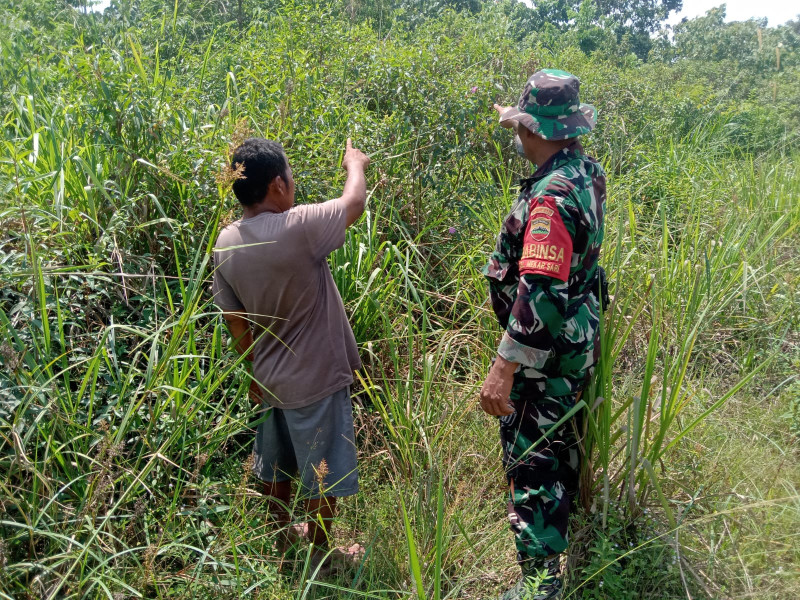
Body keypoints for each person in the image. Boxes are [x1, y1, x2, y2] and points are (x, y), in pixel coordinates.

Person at [211, 137, 370, 573]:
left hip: (268, 381)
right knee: (323, 474)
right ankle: (321, 557)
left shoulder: (226, 243)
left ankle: (282, 543)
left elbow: (236, 324)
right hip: (316, 381)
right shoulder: (298, 226)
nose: (293, 185)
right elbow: (353, 203)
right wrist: (353, 163)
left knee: (275, 467)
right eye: (291, 176)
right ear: (278, 184)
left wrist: (254, 374)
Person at [481, 69, 606, 600]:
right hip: (575, 342)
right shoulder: (584, 170)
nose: (517, 135)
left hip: (543, 356)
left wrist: (504, 367)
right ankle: (561, 545)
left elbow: (540, 291)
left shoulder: (551, 198)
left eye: (521, 126)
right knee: (558, 449)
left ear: (535, 131)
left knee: (532, 461)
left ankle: (539, 584)